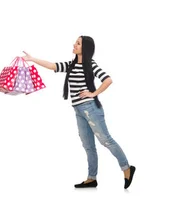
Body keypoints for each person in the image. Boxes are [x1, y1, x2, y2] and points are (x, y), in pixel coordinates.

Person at [22, 36, 136, 189]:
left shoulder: (90, 64)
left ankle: (126, 168)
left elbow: (107, 79)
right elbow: (52, 65)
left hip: (91, 108)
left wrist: (93, 93)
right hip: (78, 110)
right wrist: (32, 58)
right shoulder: (71, 65)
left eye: (78, 43)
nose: (74, 45)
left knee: (106, 140)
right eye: (75, 42)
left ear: (85, 48)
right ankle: (91, 178)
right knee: (88, 145)